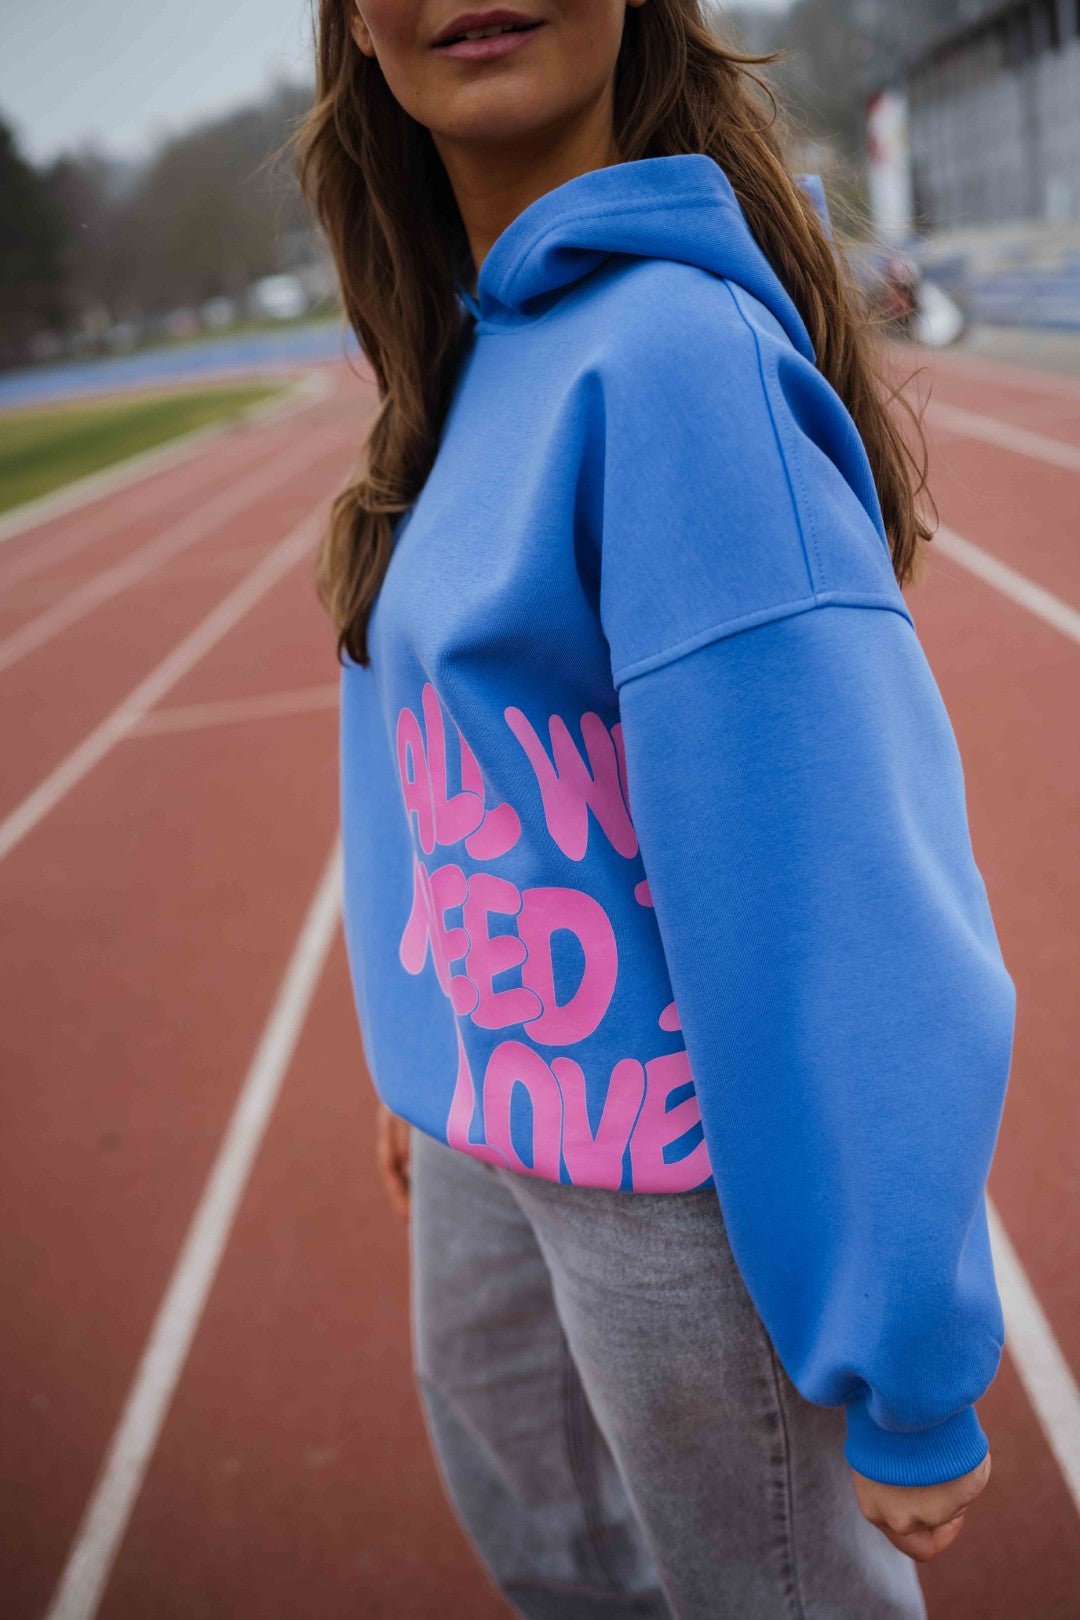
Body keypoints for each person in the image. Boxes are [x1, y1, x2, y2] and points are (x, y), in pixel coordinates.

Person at [292, 4, 1016, 1615]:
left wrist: (909, 1359)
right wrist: (436, 1039)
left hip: (666, 1184)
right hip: (499, 1105)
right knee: (558, 1561)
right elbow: (440, 743)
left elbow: (844, 901)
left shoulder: (675, 362)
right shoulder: (471, 350)